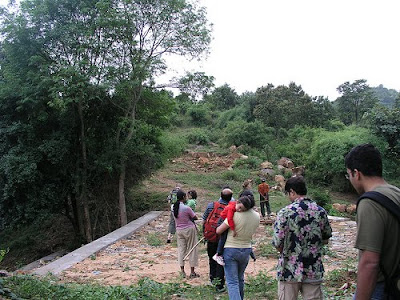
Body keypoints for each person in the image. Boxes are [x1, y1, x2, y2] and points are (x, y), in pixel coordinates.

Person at [345, 143, 400, 300]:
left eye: (348, 174)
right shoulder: (396, 193)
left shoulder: (370, 202)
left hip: (383, 287)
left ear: (357, 173)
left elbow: (370, 262)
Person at [272, 176, 332, 300]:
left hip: (289, 270)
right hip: (313, 268)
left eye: (288, 193)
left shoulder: (285, 213)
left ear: (292, 192)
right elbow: (326, 238)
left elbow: (278, 242)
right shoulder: (320, 212)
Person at [216, 195, 259, 300]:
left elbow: (218, 230)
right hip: (246, 249)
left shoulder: (235, 214)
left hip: (231, 249)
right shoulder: (257, 216)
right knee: (240, 279)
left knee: (232, 282)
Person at [202, 187, 234, 292]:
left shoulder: (211, 205)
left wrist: (205, 234)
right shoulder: (232, 208)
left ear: (220, 195)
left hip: (211, 236)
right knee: (220, 260)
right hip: (224, 239)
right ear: (231, 197)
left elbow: (204, 220)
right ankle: (219, 283)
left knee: (211, 258)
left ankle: (212, 279)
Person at [212, 197, 256, 266]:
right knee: (223, 237)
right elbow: (229, 219)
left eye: (242, 210)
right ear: (237, 202)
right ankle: (218, 254)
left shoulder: (235, 207)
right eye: (240, 207)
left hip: (239, 245)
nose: (239, 210)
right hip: (222, 220)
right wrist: (233, 229)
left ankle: (251, 254)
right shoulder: (231, 208)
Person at [172, 189, 199, 278]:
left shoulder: (173, 207)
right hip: (189, 229)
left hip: (179, 230)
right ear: (183, 197)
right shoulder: (186, 208)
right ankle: (192, 271)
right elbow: (195, 217)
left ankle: (182, 271)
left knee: (181, 250)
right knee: (192, 249)